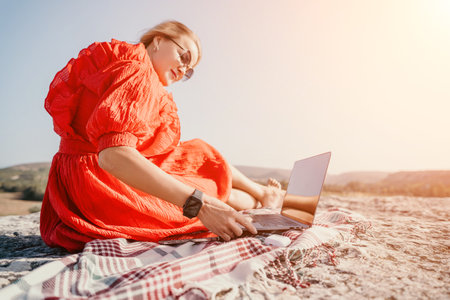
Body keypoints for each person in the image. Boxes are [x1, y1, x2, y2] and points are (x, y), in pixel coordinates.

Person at [40, 20, 285, 253]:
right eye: (185, 56)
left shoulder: (128, 64)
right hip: (99, 188)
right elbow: (113, 155)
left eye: (190, 70)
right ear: (158, 40)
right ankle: (259, 200)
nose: (184, 69)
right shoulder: (137, 70)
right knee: (210, 190)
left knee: (196, 155)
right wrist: (200, 205)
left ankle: (263, 195)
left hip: (78, 183)